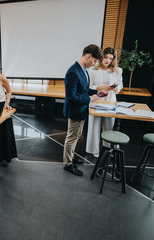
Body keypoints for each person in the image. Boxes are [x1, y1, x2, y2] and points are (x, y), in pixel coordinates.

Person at [63, 44, 105, 176]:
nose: (94, 64)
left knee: (76, 136)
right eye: (94, 61)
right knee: (71, 137)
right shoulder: (73, 72)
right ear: (88, 56)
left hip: (82, 110)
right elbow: (71, 97)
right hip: (75, 110)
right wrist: (89, 99)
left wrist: (98, 92)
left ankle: (71, 156)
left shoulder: (84, 70)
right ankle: (68, 164)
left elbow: (84, 90)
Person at [86, 47, 123, 158]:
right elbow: (89, 86)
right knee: (94, 126)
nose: (107, 60)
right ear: (102, 57)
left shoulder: (117, 71)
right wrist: (100, 87)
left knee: (109, 125)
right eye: (106, 57)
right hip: (96, 99)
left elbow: (120, 84)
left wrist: (115, 89)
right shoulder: (93, 70)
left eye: (110, 58)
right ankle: (94, 150)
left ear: (113, 60)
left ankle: (107, 148)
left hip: (110, 100)